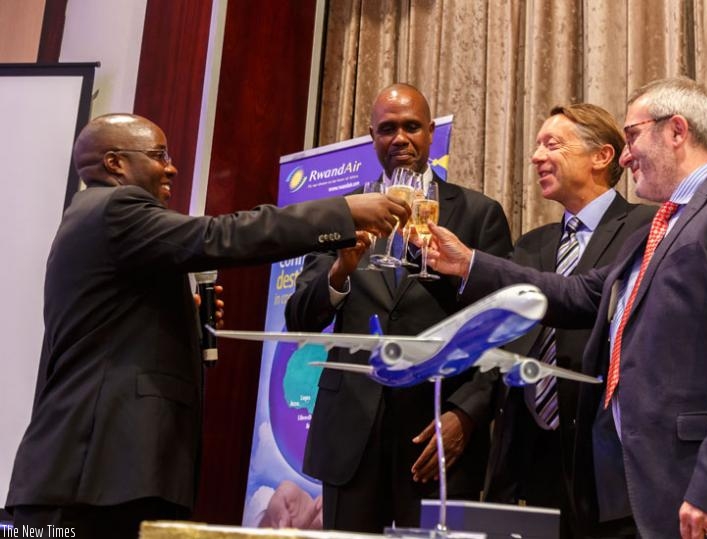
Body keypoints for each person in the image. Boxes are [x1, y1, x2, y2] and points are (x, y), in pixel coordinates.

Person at [424, 78, 707, 538]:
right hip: (641, 499)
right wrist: (468, 263)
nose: (625, 157)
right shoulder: (653, 233)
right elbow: (574, 295)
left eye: (632, 136)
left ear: (676, 130)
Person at [5, 113, 410, 538]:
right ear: (114, 163)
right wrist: (343, 212)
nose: (171, 167)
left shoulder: (92, 218)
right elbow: (222, 235)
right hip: (93, 478)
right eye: (159, 155)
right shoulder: (114, 209)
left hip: (103, 475)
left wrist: (182, 317)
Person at [285, 83, 513, 533]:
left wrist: (467, 413)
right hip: (350, 435)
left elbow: (502, 327)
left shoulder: (478, 213)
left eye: (411, 127)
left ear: (431, 133)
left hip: (436, 435)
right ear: (372, 136)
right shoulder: (341, 212)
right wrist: (340, 271)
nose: (400, 138)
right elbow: (299, 317)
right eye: (388, 129)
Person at [482, 104, 654, 539]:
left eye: (552, 144)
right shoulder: (531, 245)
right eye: (537, 145)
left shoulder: (645, 228)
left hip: (606, 465)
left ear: (602, 156)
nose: (537, 156)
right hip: (528, 463)